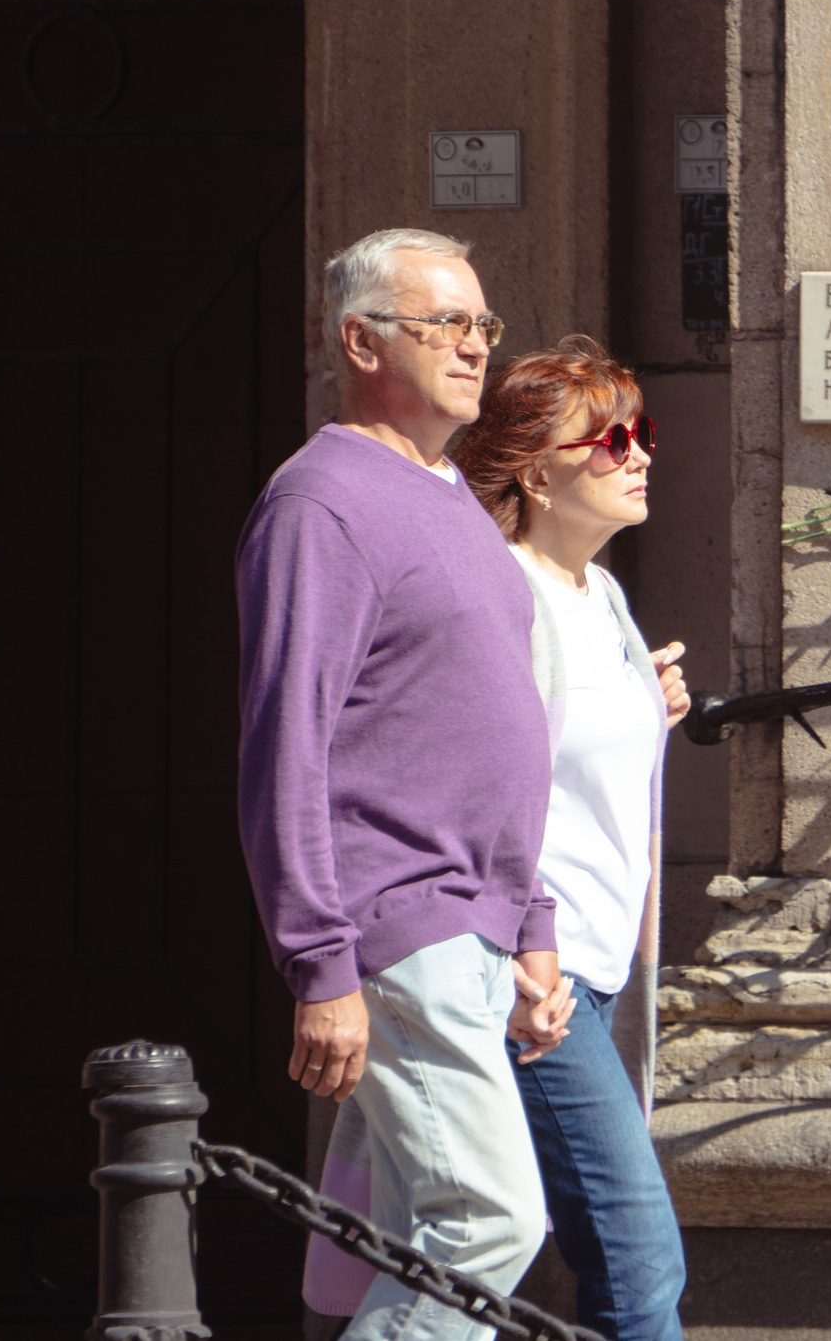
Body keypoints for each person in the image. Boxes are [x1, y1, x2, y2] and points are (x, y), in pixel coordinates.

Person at [236, 226, 564, 1341]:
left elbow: (488, 732)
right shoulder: (320, 502)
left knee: (375, 1248)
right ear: (361, 341)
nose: (476, 347)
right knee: (483, 1223)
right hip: (396, 920)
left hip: (467, 926)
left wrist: (529, 924)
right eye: (446, 325)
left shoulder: (449, 497)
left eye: (483, 324)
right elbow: (289, 745)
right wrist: (320, 963)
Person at [449, 334, 691, 1341]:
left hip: (593, 967)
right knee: (635, 1259)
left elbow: (578, 745)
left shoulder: (605, 598)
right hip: (535, 978)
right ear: (536, 474)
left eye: (639, 432)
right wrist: (522, 956)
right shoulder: (506, 598)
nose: (637, 454)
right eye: (609, 439)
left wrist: (651, 704)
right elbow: (472, 788)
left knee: (593, 1252)